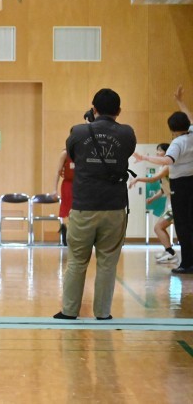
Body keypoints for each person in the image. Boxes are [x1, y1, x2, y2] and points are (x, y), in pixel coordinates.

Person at [54, 88, 136, 320]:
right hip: (115, 207)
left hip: (84, 206)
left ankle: (69, 311)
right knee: (108, 263)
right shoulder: (127, 133)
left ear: (93, 108)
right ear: (119, 111)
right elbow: (127, 152)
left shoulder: (79, 132)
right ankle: (103, 313)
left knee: (76, 261)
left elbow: (72, 154)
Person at [133, 112, 193, 274]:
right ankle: (176, 255)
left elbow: (167, 161)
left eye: (159, 151)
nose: (158, 153)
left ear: (171, 129)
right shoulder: (192, 135)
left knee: (181, 226)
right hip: (190, 182)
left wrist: (144, 158)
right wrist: (180, 101)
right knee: (188, 224)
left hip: (181, 186)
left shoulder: (177, 143)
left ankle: (184, 261)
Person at [128, 143, 176, 263]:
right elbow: (163, 190)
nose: (157, 153)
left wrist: (138, 179)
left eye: (159, 151)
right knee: (161, 227)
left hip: (176, 205)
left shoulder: (168, 166)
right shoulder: (163, 167)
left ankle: (171, 253)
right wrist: (152, 198)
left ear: (166, 153)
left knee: (158, 227)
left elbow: (153, 179)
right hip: (171, 204)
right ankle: (169, 251)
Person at [51, 149, 74, 246]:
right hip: (68, 184)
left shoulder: (83, 152)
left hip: (80, 184)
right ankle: (66, 230)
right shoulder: (65, 154)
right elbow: (57, 172)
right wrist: (54, 190)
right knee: (68, 210)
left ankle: (72, 232)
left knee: (79, 211)